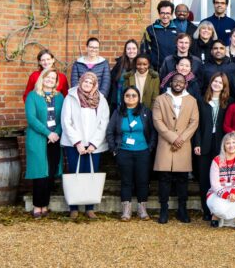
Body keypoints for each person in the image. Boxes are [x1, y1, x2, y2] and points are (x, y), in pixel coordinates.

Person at [61, 72, 110, 219]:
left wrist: (94, 144)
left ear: (95, 84)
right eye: (85, 81)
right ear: (80, 82)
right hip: (73, 145)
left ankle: (90, 207)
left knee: (91, 175)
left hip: (93, 146)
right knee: (74, 175)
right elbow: (66, 122)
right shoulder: (70, 97)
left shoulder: (101, 99)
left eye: (91, 82)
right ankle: (73, 207)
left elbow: (104, 123)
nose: (87, 84)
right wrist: (77, 143)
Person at [153, 73, 200, 224]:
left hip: (183, 144)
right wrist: (173, 138)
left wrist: (181, 138)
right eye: (175, 81)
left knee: (182, 180)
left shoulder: (192, 101)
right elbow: (157, 121)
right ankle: (164, 209)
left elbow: (194, 122)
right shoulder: (160, 99)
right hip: (166, 143)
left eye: (181, 81)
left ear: (185, 84)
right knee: (164, 178)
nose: (178, 83)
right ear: (170, 82)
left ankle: (182, 209)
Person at [106, 86, 157, 221]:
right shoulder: (118, 112)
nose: (131, 98)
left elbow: (153, 132)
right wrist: (114, 149)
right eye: (127, 95)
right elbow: (110, 131)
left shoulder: (145, 112)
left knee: (143, 181)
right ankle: (126, 211)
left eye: (134, 95)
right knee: (126, 181)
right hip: (123, 152)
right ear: (123, 97)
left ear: (138, 97)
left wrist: (150, 148)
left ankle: (142, 209)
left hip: (143, 152)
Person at [24, 69, 64, 219]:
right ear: (42, 78)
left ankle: (45, 205)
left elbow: (63, 118)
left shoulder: (60, 97)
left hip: (54, 139)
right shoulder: (33, 96)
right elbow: (31, 118)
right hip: (38, 139)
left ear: (56, 81)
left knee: (50, 173)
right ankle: (37, 206)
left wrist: (56, 133)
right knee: (40, 173)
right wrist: (48, 133)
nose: (50, 80)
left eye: (53, 78)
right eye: (48, 77)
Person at [193, 72, 231, 221]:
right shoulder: (201, 101)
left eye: (220, 83)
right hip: (204, 142)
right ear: (211, 83)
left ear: (224, 86)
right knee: (204, 178)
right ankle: (206, 209)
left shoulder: (228, 102)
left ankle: (219, 209)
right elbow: (196, 124)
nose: (217, 84)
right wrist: (197, 143)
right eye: (215, 81)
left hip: (220, 144)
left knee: (220, 178)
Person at [207, 133, 235, 230]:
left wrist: (234, 191)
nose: (231, 145)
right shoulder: (217, 160)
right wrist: (226, 194)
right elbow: (214, 184)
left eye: (234, 142)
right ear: (224, 146)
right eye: (228, 143)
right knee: (219, 208)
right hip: (219, 191)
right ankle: (216, 216)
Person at [140, 0, 179, 71]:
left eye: (168, 13)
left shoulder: (177, 30)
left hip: (173, 70)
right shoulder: (150, 29)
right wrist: (149, 67)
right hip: (155, 70)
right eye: (162, 13)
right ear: (159, 13)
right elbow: (144, 50)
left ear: (171, 14)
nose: (165, 16)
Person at [109, 40, 138, 112]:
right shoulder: (120, 64)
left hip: (136, 100)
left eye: (134, 48)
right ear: (125, 50)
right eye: (128, 49)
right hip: (118, 100)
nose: (131, 51)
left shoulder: (142, 64)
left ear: (137, 50)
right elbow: (112, 80)